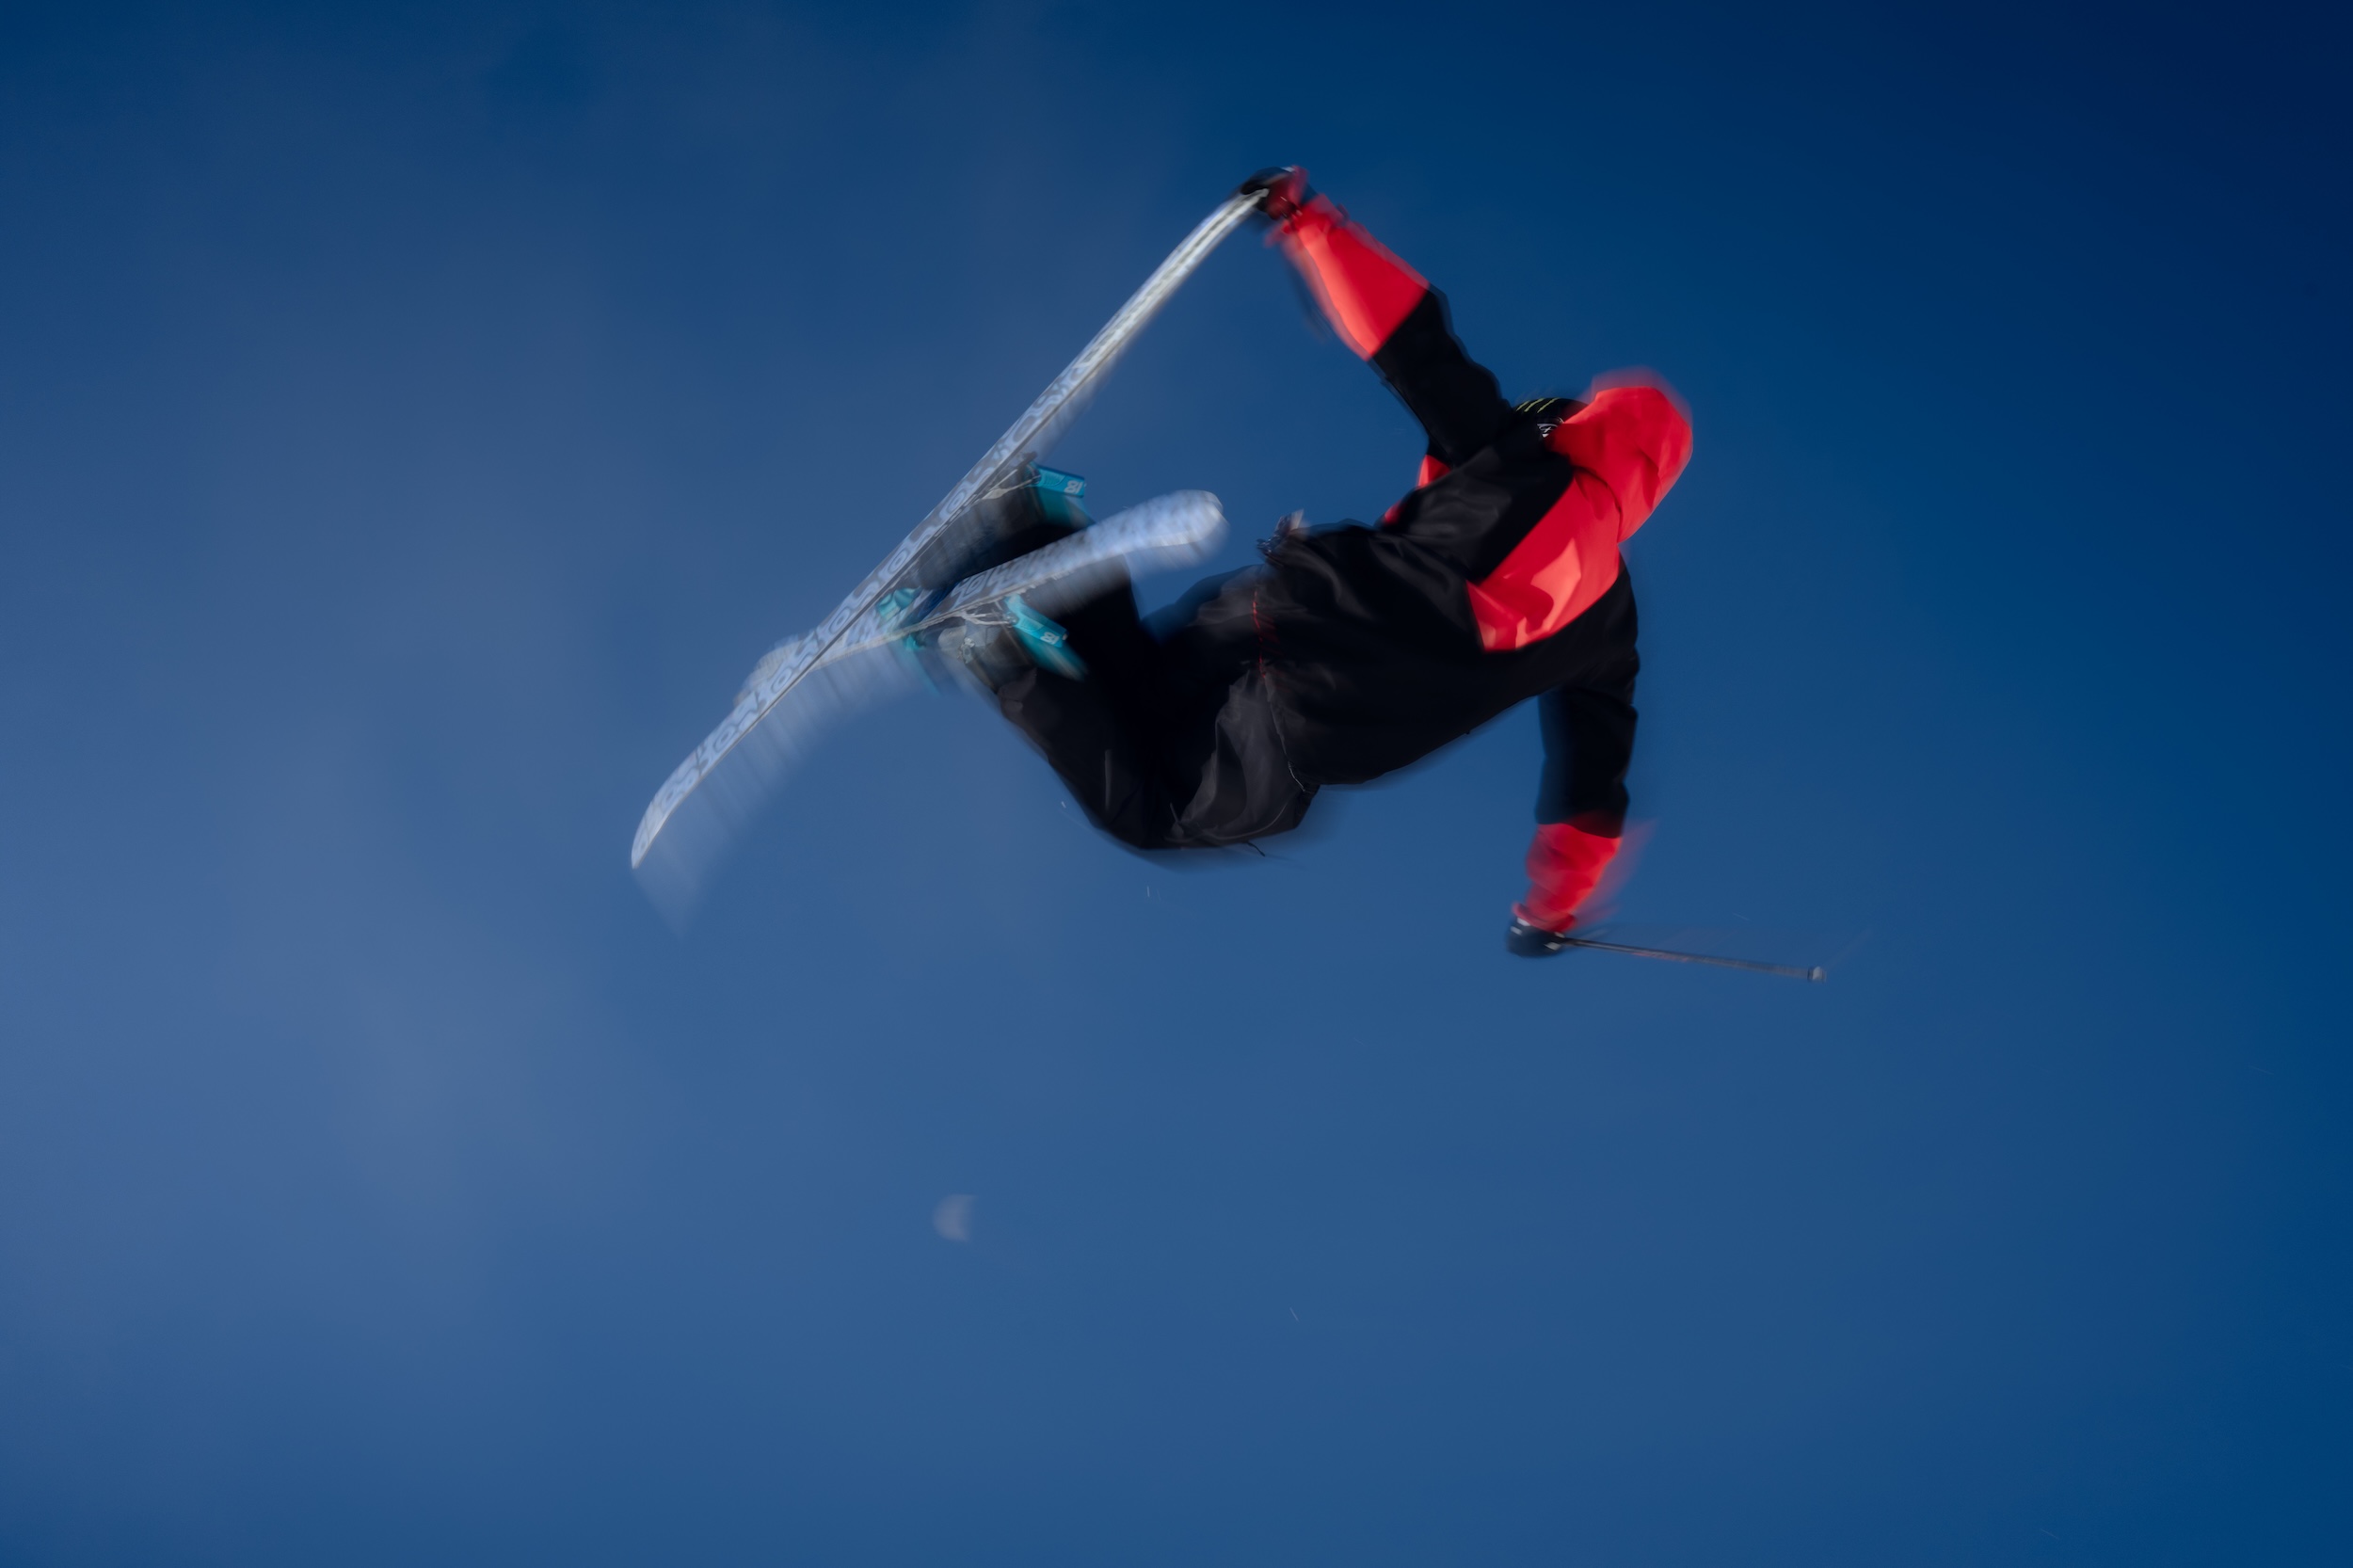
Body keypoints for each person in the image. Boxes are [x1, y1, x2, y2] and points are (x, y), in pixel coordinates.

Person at [949, 168, 1692, 956]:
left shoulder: (1508, 455)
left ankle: (1034, 525)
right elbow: (1592, 790)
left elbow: (1414, 341)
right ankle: (1002, 654)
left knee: (1134, 681)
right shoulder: (1610, 628)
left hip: (1274, 608)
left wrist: (1307, 222)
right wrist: (1554, 910)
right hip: (1316, 722)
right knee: (1160, 810)